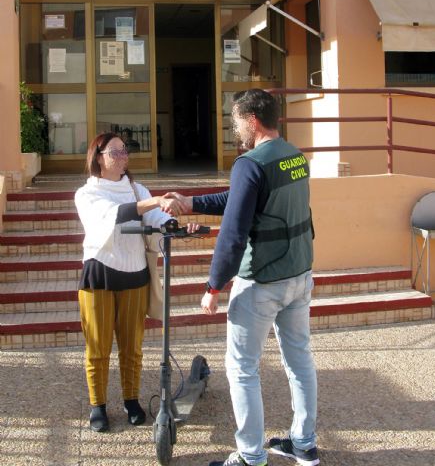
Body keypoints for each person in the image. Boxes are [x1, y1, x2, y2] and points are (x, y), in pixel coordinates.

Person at [168, 89, 319, 466]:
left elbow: (234, 233)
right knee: (299, 361)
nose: (235, 128)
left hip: (263, 282)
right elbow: (242, 198)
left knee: (242, 368)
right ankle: (304, 443)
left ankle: (251, 455)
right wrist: (192, 203)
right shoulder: (294, 157)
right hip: (299, 275)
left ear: (252, 120)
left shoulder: (250, 163)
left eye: (236, 121)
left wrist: (213, 285)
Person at [75, 131, 184, 433]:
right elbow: (112, 217)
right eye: (115, 152)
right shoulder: (87, 194)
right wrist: (152, 203)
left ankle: (131, 399)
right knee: (98, 347)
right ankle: (97, 405)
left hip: (136, 274)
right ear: (98, 157)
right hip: (99, 275)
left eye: (125, 151)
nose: (123, 157)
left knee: (132, 346)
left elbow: (155, 219)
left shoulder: (137, 189)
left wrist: (171, 221)